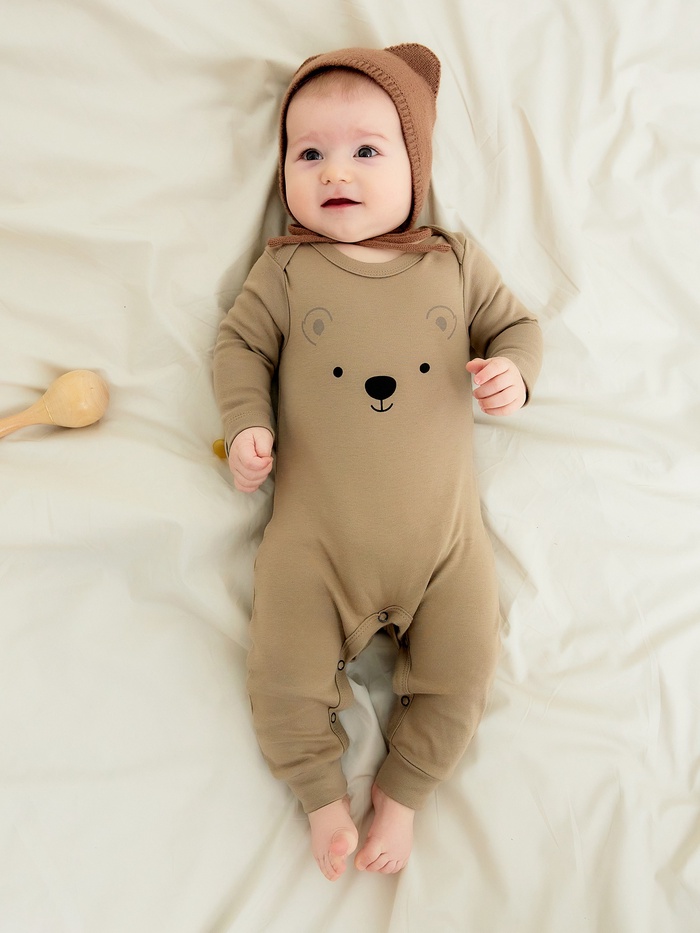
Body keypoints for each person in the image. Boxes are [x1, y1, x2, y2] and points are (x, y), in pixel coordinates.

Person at [213, 44, 542, 881]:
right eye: (309, 153)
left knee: (464, 666)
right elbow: (240, 347)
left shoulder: (452, 262)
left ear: (414, 165)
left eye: (367, 149)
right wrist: (247, 423)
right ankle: (320, 795)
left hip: (444, 548)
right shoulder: (287, 268)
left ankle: (404, 792)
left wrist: (514, 372)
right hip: (315, 547)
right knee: (281, 671)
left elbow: (517, 328)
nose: (336, 171)